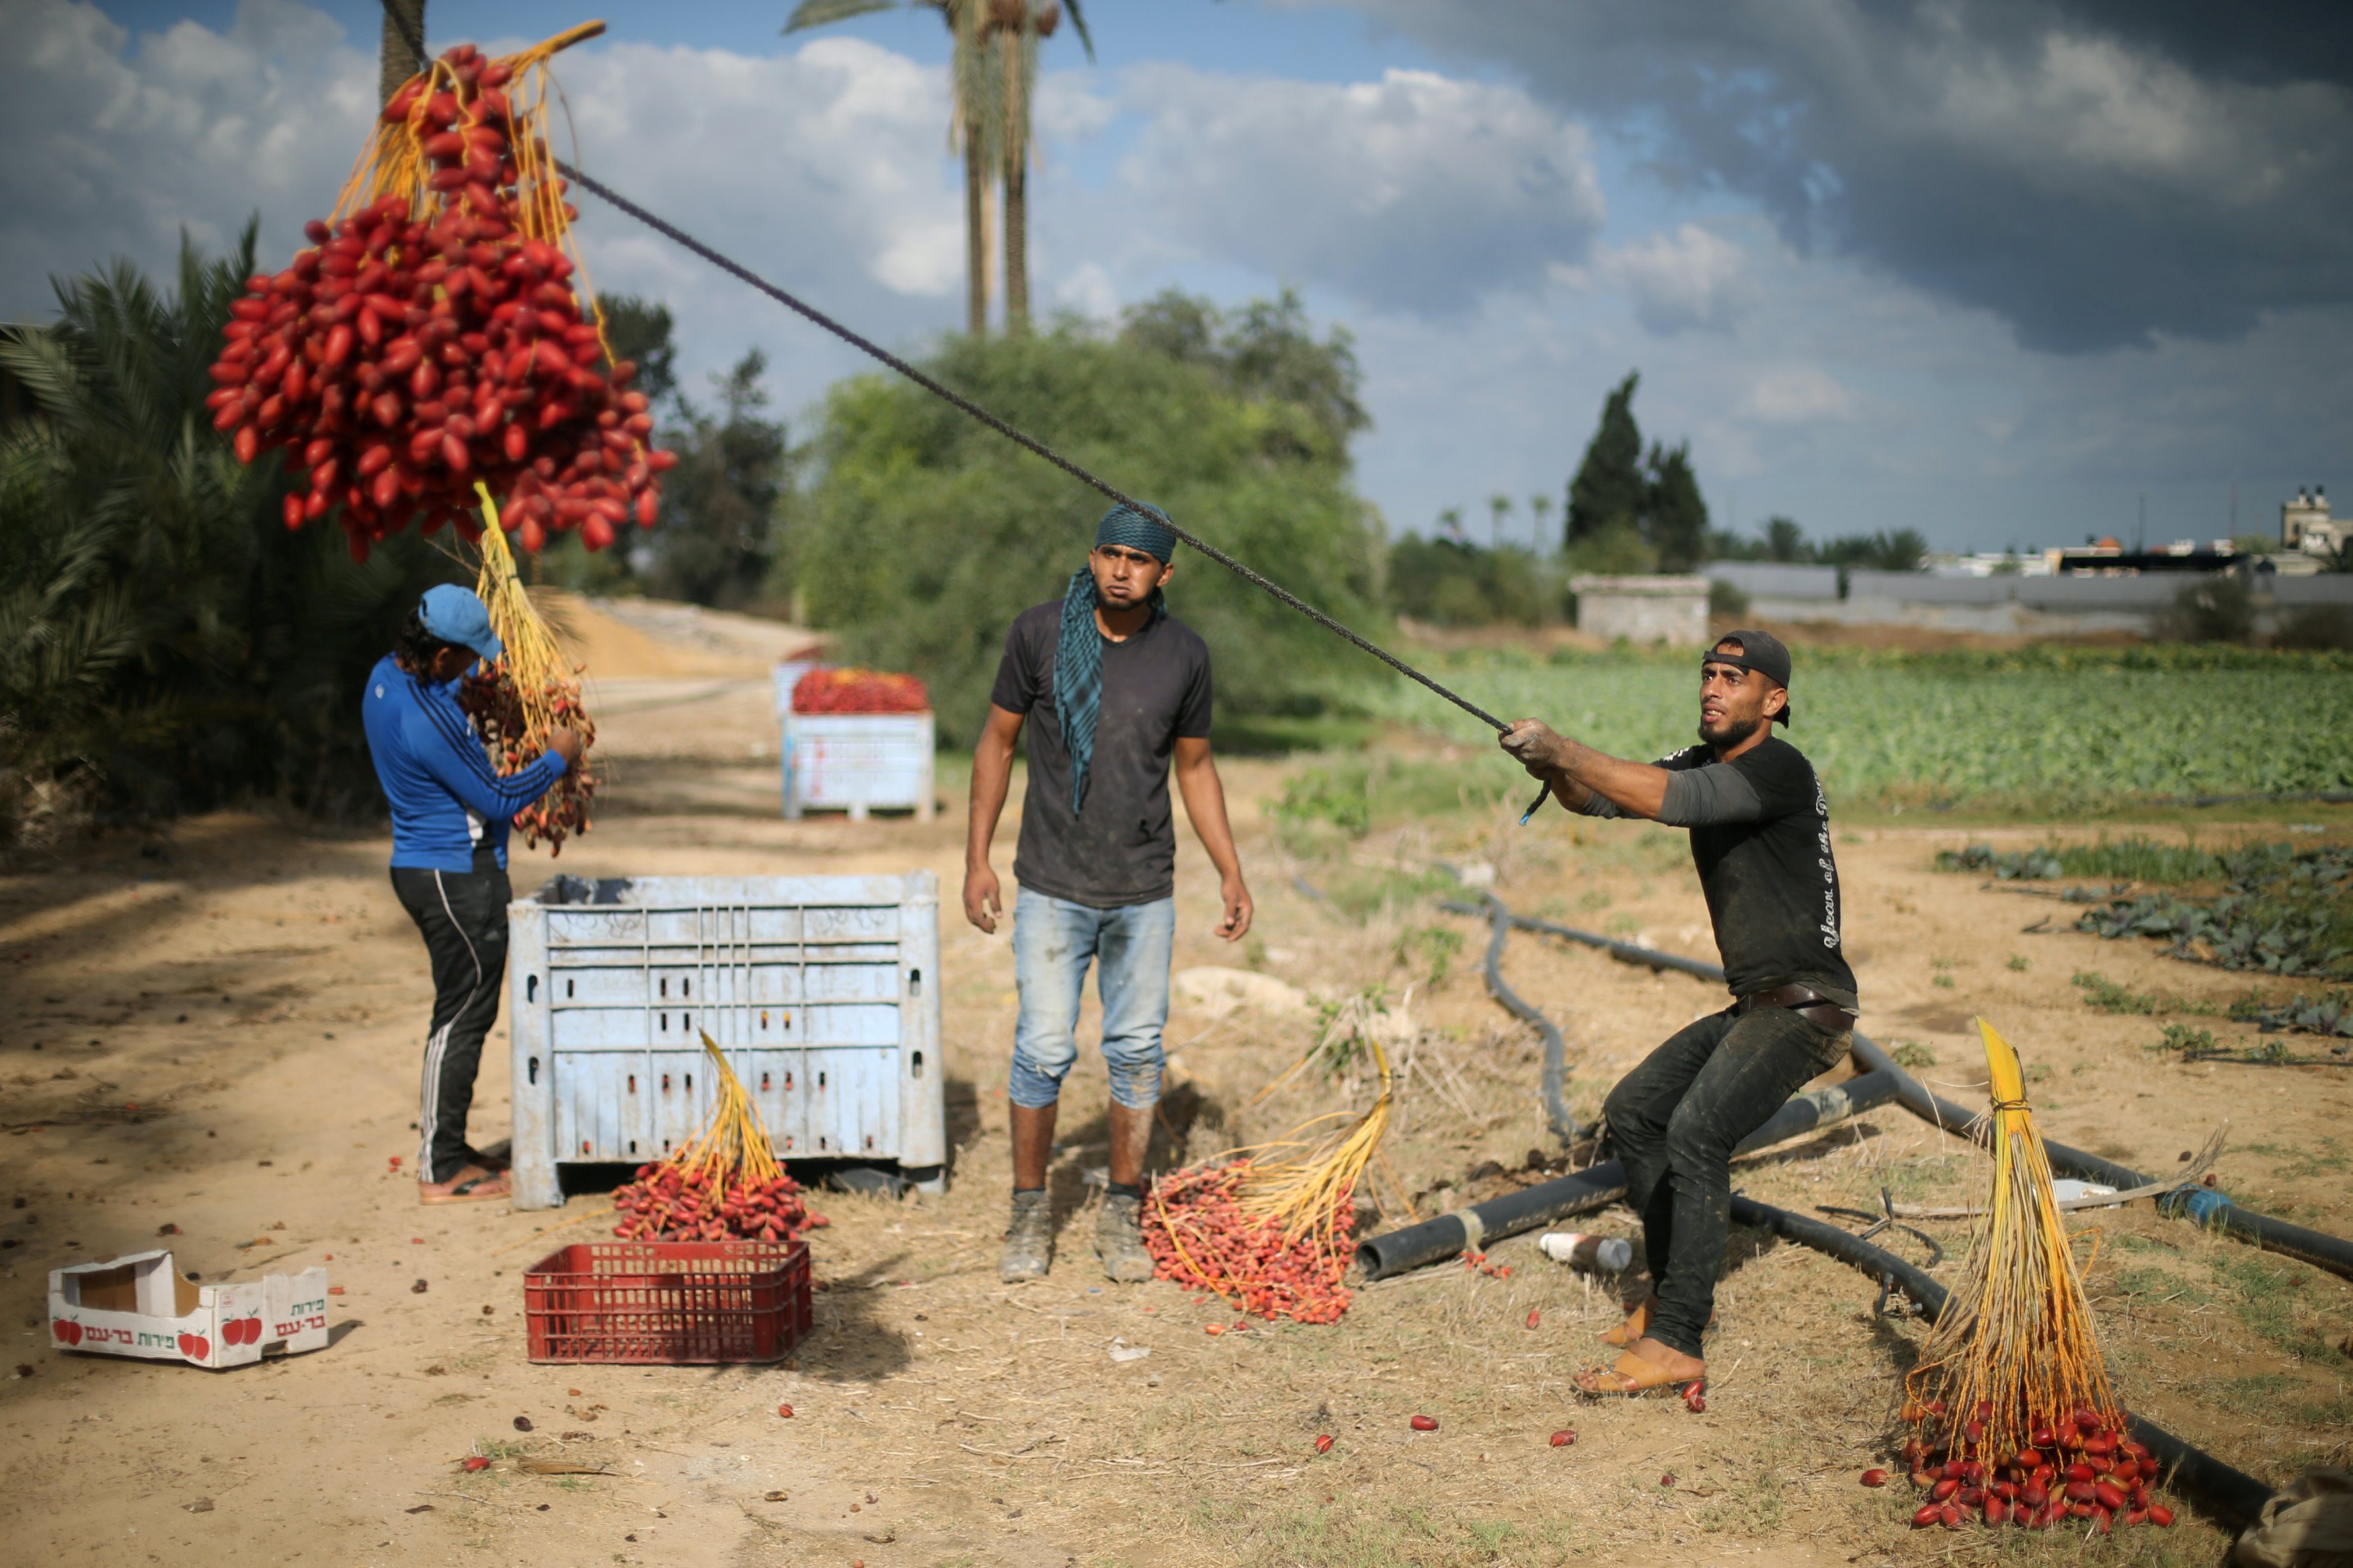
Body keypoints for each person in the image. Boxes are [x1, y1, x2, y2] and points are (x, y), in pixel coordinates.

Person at [1499, 629, 1858, 1395]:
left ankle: (1678, 1338)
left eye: (1734, 677)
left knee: (1696, 1129)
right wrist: (1553, 766)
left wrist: (1564, 745)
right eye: (1707, 673)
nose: (1713, 686)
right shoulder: (1700, 759)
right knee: (1635, 1111)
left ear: (1774, 699)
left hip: (1806, 1007)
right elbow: (1597, 797)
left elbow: (1672, 803)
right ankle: (1671, 1293)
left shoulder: (1777, 768)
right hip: (1755, 1004)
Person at [965, 503, 1253, 1284]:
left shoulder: (1184, 655)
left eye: (1138, 558)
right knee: (1043, 1047)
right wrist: (977, 859)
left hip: (1141, 891)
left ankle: (1121, 1211)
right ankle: (1030, 1211)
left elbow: (1194, 768)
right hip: (1052, 885)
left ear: (1166, 571)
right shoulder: (1039, 633)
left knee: (1133, 1051)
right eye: (1109, 553)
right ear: (1091, 557)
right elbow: (996, 741)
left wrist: (1229, 868)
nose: (1121, 568)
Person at [362, 584, 580, 1205]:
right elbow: (501, 800)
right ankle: (439, 1166)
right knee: (461, 1016)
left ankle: (452, 1148)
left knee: (468, 1012)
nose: (472, 668)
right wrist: (556, 757)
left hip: (423, 866)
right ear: (439, 657)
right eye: (465, 658)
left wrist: (484, 686)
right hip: (459, 877)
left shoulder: (387, 677)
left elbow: (453, 692)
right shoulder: (429, 721)